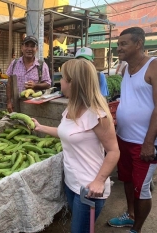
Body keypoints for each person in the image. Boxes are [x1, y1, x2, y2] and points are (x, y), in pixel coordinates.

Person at [32, 59, 120, 233]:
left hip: (89, 189)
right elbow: (65, 133)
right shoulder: (71, 108)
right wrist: (40, 127)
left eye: (64, 78)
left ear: (74, 83)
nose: (60, 82)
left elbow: (113, 151)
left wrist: (99, 181)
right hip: (71, 184)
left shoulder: (97, 115)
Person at [107, 27, 157, 233]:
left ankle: (136, 229)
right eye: (118, 44)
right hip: (123, 138)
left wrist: (148, 142)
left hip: (143, 142)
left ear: (139, 44)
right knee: (126, 180)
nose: (119, 48)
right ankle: (130, 215)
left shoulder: (153, 67)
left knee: (142, 188)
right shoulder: (126, 68)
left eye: (123, 44)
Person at [5, 35, 52, 113]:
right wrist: (9, 102)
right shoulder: (14, 63)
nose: (29, 49)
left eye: (32, 46)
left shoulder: (42, 65)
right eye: (26, 46)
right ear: (22, 48)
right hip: (16, 105)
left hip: (35, 108)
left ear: (36, 49)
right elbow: (9, 84)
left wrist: (35, 85)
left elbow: (48, 84)